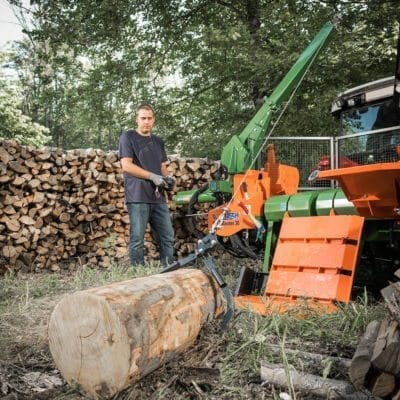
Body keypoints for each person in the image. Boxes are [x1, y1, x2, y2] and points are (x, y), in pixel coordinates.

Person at [118, 104, 174, 267]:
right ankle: (138, 274)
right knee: (137, 238)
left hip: (158, 197)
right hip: (138, 196)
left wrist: (167, 178)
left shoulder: (158, 142)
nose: (146, 122)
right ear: (137, 119)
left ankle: (169, 269)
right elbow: (126, 165)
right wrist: (151, 176)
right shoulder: (127, 137)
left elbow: (162, 165)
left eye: (149, 118)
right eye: (143, 118)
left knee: (167, 237)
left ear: (153, 120)